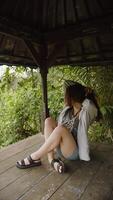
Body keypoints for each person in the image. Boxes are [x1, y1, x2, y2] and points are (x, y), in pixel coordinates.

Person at [16, 80, 102, 173]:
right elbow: (58, 126)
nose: (64, 97)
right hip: (60, 146)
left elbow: (90, 105)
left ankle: (34, 157)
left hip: (73, 150)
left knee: (61, 128)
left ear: (71, 97)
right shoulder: (68, 110)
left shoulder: (86, 111)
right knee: (48, 121)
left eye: (66, 95)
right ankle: (52, 160)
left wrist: (85, 94)